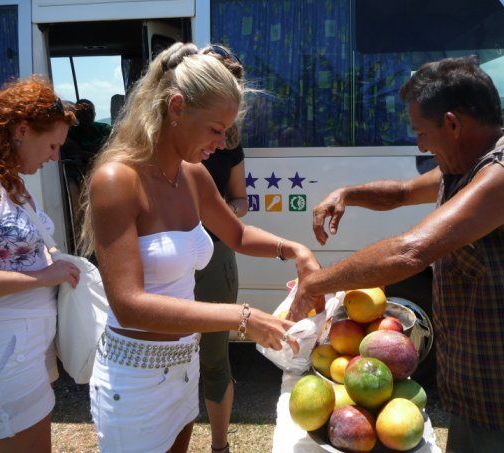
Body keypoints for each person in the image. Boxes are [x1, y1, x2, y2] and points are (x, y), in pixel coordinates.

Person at [291, 56, 504, 452]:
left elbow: (411, 252)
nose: (420, 144)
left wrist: (316, 282)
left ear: (452, 124)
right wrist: (347, 193)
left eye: (421, 132)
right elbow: (403, 192)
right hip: (476, 391)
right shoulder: (465, 167)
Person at [79, 42, 319, 453]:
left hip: (184, 365)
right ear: (176, 107)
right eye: (215, 129)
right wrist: (242, 317)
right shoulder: (118, 180)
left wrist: (296, 250)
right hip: (135, 380)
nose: (222, 144)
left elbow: (237, 236)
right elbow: (129, 304)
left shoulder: (192, 175)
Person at [0, 77, 81, 452]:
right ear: (22, 130)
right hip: (3, 350)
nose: (55, 157)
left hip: (25, 347)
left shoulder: (9, 181)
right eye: (52, 145)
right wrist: (42, 276)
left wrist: (54, 262)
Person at [193, 44, 248, 453]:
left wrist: (222, 213)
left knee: (214, 358)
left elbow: (240, 200)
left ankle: (219, 446)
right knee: (170, 358)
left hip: (214, 256)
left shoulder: (229, 144)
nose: (216, 140)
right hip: (177, 260)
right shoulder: (159, 152)